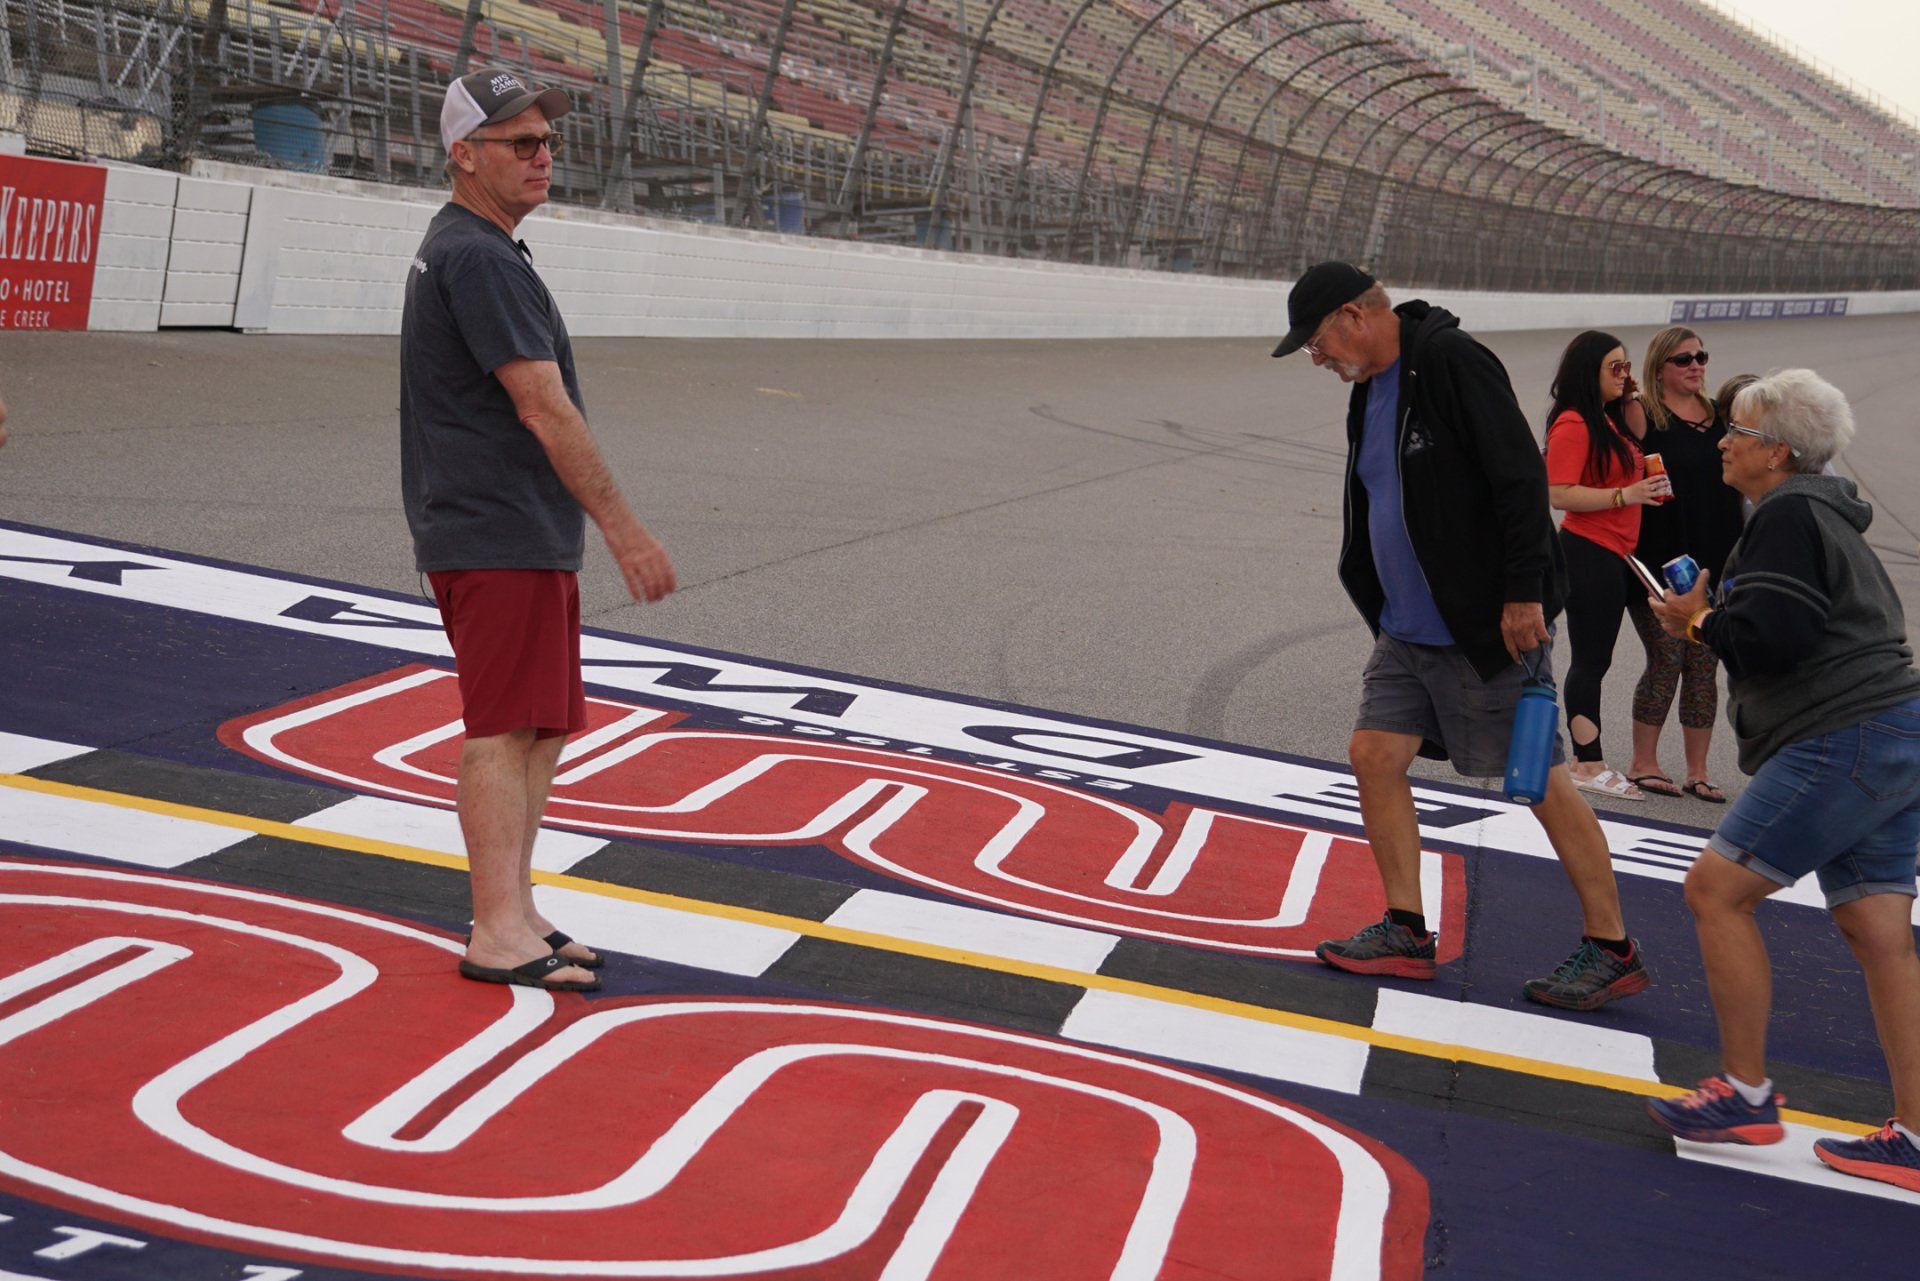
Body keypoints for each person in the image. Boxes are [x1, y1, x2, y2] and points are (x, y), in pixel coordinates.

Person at [1273, 262, 1647, 1011]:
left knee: (1537, 775)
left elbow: (1518, 479)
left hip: (1483, 619)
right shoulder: (1369, 388)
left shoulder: (1449, 361)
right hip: (1408, 626)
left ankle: (1612, 945)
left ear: (1353, 315)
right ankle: (1408, 930)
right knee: (1373, 754)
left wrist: (1520, 592)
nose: (1318, 360)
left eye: (1317, 343)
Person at [402, 67, 676, 992]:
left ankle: (516, 909)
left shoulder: (489, 249)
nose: (542, 156)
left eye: (546, 141)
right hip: (494, 528)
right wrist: (627, 530)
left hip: (517, 528)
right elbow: (543, 407)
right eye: (520, 143)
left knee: (540, 728)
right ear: (464, 155)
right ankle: (494, 928)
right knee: (502, 728)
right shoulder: (477, 255)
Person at [1646, 369, 1920, 1194]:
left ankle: (1746, 1092)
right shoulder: (1826, 513)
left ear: (1778, 450)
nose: (1723, 439)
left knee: (1715, 891)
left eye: (1737, 429)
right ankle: (1913, 1134)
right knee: (1881, 938)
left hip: (1841, 732)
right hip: (1894, 728)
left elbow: (1776, 636)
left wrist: (1694, 617)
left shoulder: (1789, 515)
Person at [1543, 331, 1671, 801]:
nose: (1624, 375)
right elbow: (1559, 492)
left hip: (1617, 553)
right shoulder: (1574, 423)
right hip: (1586, 548)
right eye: (1613, 368)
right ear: (1588, 371)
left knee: (1599, 657)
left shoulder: (1608, 418)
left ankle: (1586, 757)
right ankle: (1587, 761)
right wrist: (1626, 495)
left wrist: (1628, 389)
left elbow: (1641, 432)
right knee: (1590, 659)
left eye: (1626, 365)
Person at [1624, 327, 1744, 804]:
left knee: (1703, 662)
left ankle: (1698, 770)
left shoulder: (1723, 418)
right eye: (1683, 359)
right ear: (1659, 368)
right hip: (1657, 559)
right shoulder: (1643, 417)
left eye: (1701, 357)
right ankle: (1642, 762)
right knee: (1666, 656)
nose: (1695, 365)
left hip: (1717, 561)